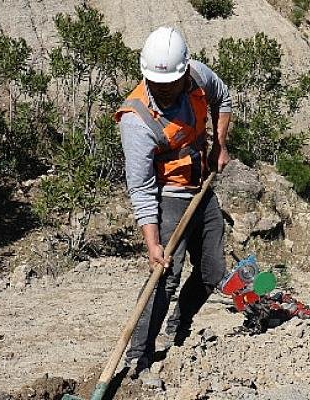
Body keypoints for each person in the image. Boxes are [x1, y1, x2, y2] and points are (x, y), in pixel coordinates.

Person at [114, 26, 232, 378]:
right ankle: (139, 356)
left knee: (213, 271)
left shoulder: (197, 75)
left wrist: (219, 146)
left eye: (170, 84)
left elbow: (223, 98)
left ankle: (179, 324)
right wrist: (152, 242)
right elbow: (141, 188)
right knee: (164, 276)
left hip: (201, 188)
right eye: (157, 85)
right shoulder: (136, 121)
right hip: (168, 196)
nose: (164, 91)